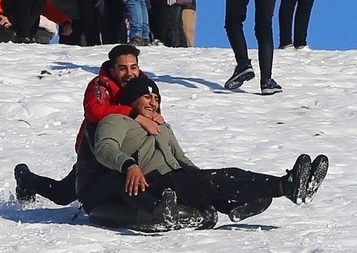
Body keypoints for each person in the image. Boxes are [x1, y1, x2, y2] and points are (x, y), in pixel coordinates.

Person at [76, 76, 329, 226]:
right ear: (132, 100)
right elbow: (104, 148)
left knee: (214, 181)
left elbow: (181, 158)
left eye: (157, 99)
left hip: (177, 177)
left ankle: (251, 200)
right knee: (222, 178)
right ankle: (286, 185)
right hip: (153, 183)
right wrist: (129, 165)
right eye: (147, 97)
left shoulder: (163, 127)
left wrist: (199, 176)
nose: (153, 102)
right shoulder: (117, 121)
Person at [14, 43, 165, 205]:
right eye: (122, 69)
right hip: (94, 149)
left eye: (133, 67)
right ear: (112, 70)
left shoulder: (145, 86)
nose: (129, 74)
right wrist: (134, 115)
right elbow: (94, 111)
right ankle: (25, 178)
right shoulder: (101, 85)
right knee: (62, 195)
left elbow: (151, 112)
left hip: (127, 146)